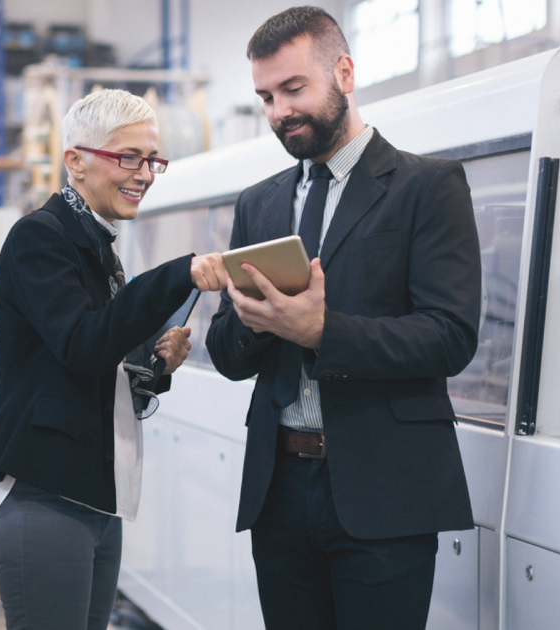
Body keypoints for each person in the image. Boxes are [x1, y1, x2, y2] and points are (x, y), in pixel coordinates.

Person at [206, 7, 481, 630]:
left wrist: (322, 333)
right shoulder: (261, 203)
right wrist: (254, 320)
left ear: (345, 73)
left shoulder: (427, 187)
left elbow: (451, 335)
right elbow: (226, 353)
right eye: (265, 97)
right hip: (278, 489)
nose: (279, 112)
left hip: (384, 490)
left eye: (293, 89)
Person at [0, 89, 229, 630]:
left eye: (152, 159)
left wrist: (155, 367)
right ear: (76, 161)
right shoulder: (40, 237)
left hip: (96, 500)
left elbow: (100, 365)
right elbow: (81, 346)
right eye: (128, 157)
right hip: (45, 497)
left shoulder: (100, 247)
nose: (146, 173)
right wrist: (179, 274)